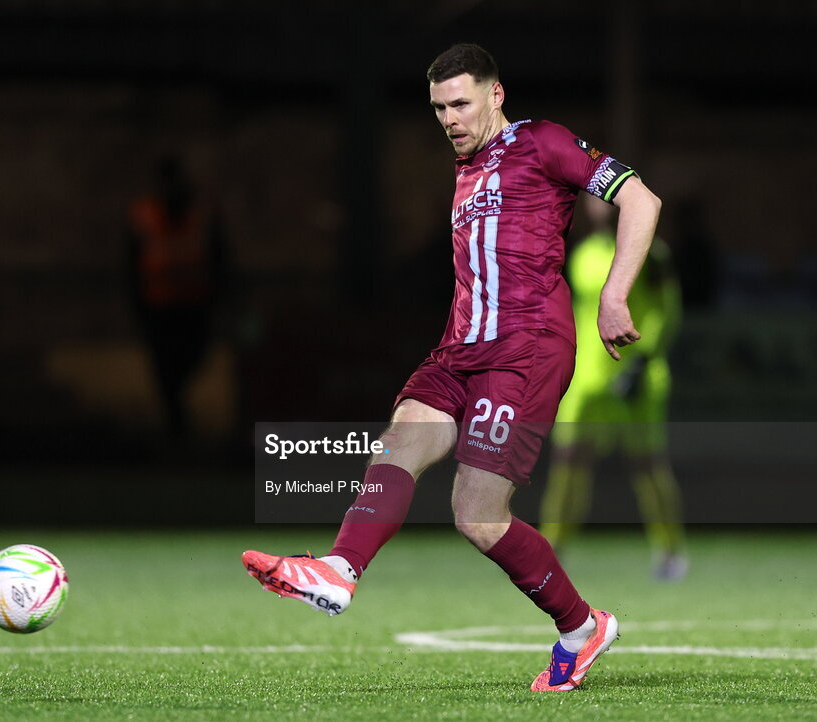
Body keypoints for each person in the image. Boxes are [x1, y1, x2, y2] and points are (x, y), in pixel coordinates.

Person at [242, 43, 661, 692]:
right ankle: (340, 571)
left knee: (478, 515)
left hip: (525, 352)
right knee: (400, 442)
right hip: (459, 350)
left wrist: (613, 294)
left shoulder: (543, 142)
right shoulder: (467, 171)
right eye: (438, 108)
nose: (449, 119)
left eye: (460, 103)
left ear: (497, 94)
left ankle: (581, 628)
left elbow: (641, 199)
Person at [540, 197, 687, 580]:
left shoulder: (652, 253)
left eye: (606, 196)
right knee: (568, 463)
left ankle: (670, 551)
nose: (599, 205)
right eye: (593, 197)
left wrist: (644, 358)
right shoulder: (584, 254)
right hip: (587, 377)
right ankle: (552, 550)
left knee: (648, 466)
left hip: (637, 374)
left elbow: (667, 310)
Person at [125, 155, 226, 438]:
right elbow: (131, 264)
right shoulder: (143, 216)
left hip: (194, 308)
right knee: (165, 374)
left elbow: (219, 260)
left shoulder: (201, 215)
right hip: (159, 309)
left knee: (189, 362)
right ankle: (176, 429)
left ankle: (177, 426)